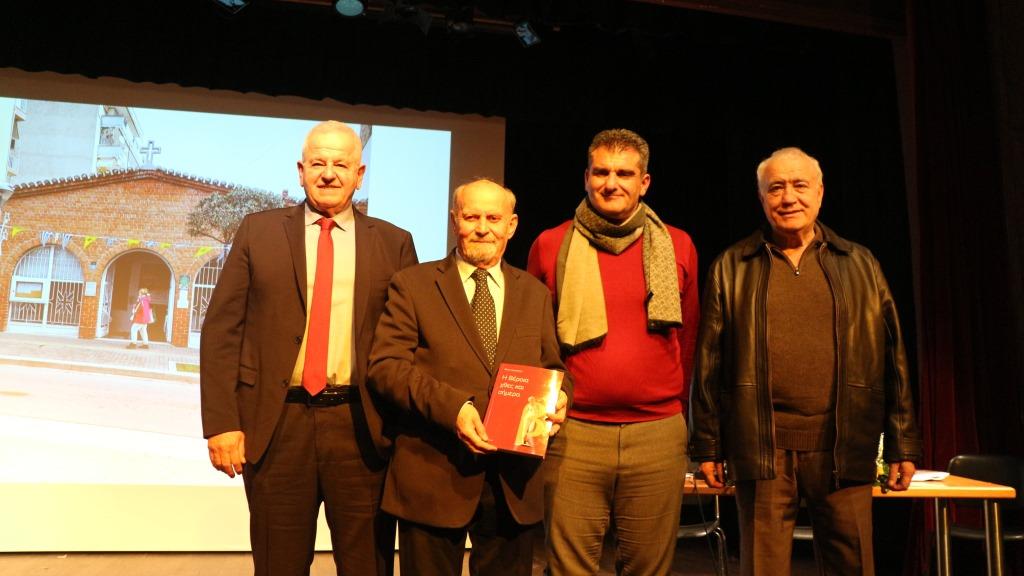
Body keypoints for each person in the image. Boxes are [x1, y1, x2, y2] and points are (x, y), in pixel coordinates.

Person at [689, 147, 921, 576]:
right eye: (776, 188)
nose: (789, 197)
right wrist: (707, 445)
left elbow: (895, 360)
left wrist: (902, 442)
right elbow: (708, 366)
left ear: (820, 192)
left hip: (844, 445)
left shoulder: (861, 264)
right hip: (762, 448)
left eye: (799, 185)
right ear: (761, 198)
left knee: (853, 565)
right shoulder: (732, 266)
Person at [200, 121, 417, 576]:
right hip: (277, 427)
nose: (329, 173)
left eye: (341, 164)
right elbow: (222, 331)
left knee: (367, 566)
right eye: (318, 163)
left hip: (362, 428)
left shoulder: (394, 243)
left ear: (359, 174)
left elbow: (408, 344)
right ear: (301, 171)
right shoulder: (257, 231)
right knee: (278, 565)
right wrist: (221, 424)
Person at [368, 178, 570, 576]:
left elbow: (553, 367)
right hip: (433, 474)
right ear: (454, 220)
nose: (482, 228)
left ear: (511, 225)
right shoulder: (413, 285)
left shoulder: (534, 293)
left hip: (512, 483)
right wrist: (454, 409)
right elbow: (386, 367)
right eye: (471, 217)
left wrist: (561, 397)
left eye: (493, 218)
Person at [527, 128, 700, 575]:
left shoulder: (678, 244)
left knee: (648, 569)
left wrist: (678, 416)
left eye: (624, 174)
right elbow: (534, 342)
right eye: (601, 172)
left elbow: (689, 341)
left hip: (657, 434)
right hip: (574, 432)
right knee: (568, 568)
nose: (611, 183)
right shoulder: (550, 244)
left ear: (644, 182)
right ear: (586, 177)